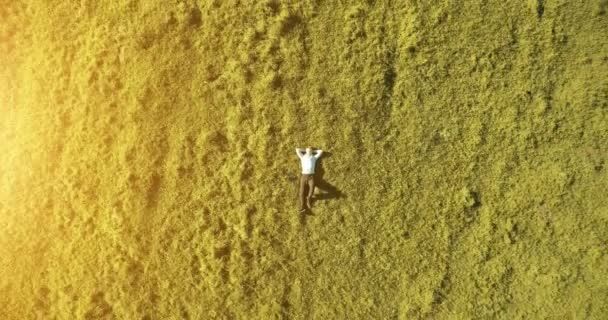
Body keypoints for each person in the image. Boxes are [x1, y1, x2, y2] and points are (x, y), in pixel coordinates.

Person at [295, 146, 323, 212]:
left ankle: (308, 200)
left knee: (312, 190)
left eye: (310, 151)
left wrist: (313, 151)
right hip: (304, 176)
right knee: (301, 192)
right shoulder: (302, 157)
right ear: (306, 151)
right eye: (308, 151)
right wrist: (306, 150)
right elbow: (297, 149)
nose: (309, 151)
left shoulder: (314, 157)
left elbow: (321, 151)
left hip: (311, 177)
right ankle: (302, 207)